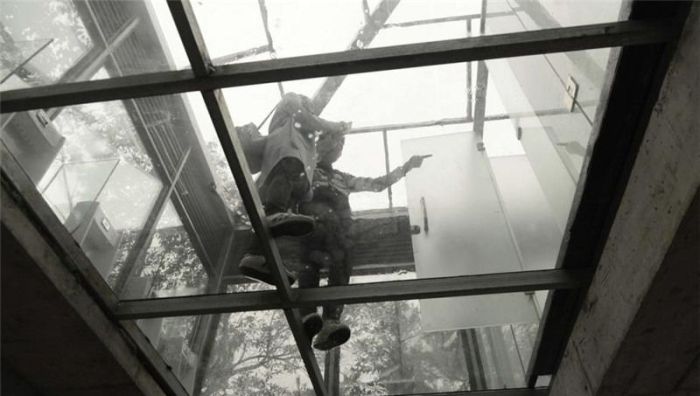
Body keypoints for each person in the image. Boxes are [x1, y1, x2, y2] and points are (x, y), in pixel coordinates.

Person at [298, 131, 428, 350]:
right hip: (313, 226)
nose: (336, 148)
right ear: (318, 144)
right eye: (331, 141)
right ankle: (308, 316)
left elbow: (377, 184)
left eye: (340, 145)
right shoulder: (306, 170)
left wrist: (406, 167)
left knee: (342, 263)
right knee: (309, 263)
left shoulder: (341, 178)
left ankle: (330, 320)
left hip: (339, 233)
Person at [239, 92, 351, 285]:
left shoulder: (302, 136)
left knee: (279, 217)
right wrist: (336, 126)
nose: (312, 109)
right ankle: (275, 212)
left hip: (285, 173)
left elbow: (313, 148)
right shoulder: (293, 107)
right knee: (282, 196)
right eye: (309, 105)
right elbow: (303, 116)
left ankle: (255, 255)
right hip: (286, 160)